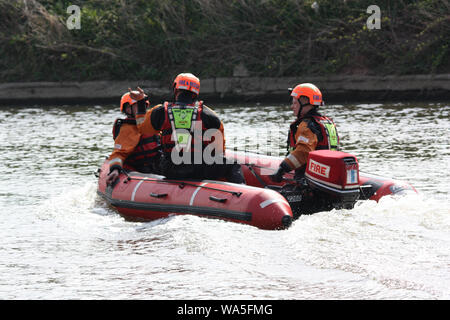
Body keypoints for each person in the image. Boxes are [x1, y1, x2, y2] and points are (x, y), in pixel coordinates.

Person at [130, 73, 244, 183]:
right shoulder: (208, 114)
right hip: (199, 169)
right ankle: (239, 193)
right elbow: (219, 150)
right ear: (195, 92)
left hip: (170, 170)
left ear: (176, 89)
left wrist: (141, 103)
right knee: (232, 164)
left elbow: (142, 128)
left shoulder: (160, 111)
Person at [270, 83, 339, 182]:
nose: (292, 107)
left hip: (310, 181)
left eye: (294, 103)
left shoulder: (306, 126)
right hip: (327, 175)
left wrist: (282, 169)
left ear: (305, 102)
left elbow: (303, 152)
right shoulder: (326, 122)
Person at [106, 91, 161, 185]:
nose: (142, 108)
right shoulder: (127, 130)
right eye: (138, 105)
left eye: (143, 105)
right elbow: (119, 153)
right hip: (139, 170)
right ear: (128, 109)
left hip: (156, 167)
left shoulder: (150, 125)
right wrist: (115, 169)